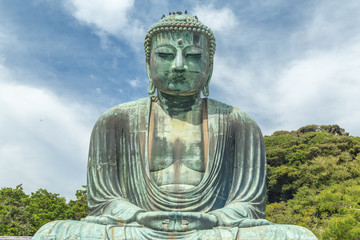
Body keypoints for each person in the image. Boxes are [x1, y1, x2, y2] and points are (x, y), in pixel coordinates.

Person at [33, 13, 317, 239]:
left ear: (209, 66)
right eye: (166, 55)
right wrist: (137, 216)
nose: (179, 65)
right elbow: (105, 200)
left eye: (193, 56)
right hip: (138, 228)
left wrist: (215, 218)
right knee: (52, 233)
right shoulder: (114, 121)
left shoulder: (238, 123)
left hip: (212, 229)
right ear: (148, 64)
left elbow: (250, 205)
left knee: (297, 236)